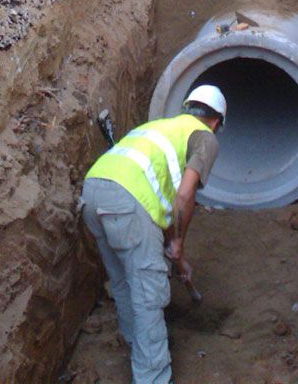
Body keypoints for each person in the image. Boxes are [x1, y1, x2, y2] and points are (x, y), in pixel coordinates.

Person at [81, 85, 226, 384]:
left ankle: (142, 347)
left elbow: (157, 200)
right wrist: (180, 242)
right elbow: (185, 195)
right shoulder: (205, 137)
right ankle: (153, 376)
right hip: (128, 201)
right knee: (149, 293)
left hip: (93, 190)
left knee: (123, 280)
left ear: (189, 107)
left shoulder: (160, 127)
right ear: (216, 121)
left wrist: (175, 251)